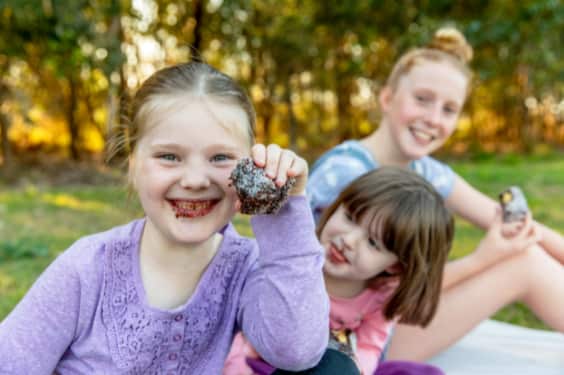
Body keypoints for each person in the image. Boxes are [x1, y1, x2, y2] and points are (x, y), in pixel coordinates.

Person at [0, 62, 330, 374]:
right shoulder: (86, 269)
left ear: (250, 166)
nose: (195, 180)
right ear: (133, 165)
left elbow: (297, 349)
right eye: (169, 157)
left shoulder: (246, 269)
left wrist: (283, 207)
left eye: (221, 158)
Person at [306, 27, 564, 361]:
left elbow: (517, 226)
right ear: (386, 98)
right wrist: (482, 260)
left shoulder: (422, 169)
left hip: (382, 319)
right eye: (423, 99)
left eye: (449, 109)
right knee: (523, 266)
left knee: (525, 254)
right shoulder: (347, 174)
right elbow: (372, 290)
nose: (432, 118)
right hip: (347, 333)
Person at [224, 167, 455, 375]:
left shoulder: (381, 295)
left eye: (373, 243)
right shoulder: (293, 263)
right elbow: (238, 331)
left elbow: (368, 346)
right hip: (260, 359)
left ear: (394, 265)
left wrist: (358, 369)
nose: (349, 240)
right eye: (350, 218)